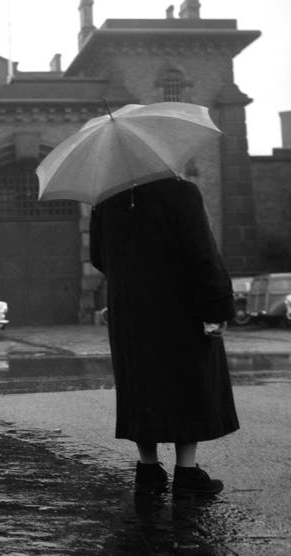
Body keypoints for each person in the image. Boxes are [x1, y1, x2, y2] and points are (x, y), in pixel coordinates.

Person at [89, 176, 239, 498]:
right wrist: (218, 306)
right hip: (179, 309)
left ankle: (148, 469)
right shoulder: (181, 192)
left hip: (130, 312)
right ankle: (187, 471)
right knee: (187, 381)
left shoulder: (106, 199)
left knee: (141, 385)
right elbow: (203, 255)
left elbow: (98, 257)